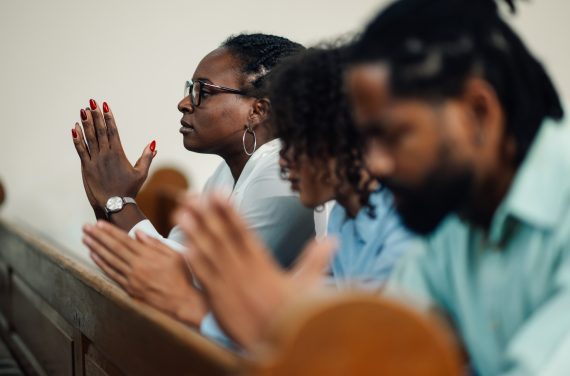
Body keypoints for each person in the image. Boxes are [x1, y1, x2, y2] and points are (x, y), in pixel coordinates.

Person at [159, 0, 570, 374]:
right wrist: (281, 324)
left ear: (478, 112)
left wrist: (270, 324)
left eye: (394, 135)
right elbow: (391, 349)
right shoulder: (453, 222)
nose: (375, 163)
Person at [74, 34, 315, 327]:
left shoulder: (281, 172)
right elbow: (172, 255)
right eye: (189, 88)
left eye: (203, 90)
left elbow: (195, 282)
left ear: (257, 111)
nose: (184, 103)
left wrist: (119, 201)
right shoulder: (227, 173)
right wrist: (105, 202)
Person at [270, 46, 414, 291]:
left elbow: (368, 315)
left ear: (341, 135)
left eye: (296, 141)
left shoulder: (406, 219)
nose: (283, 161)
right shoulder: (343, 214)